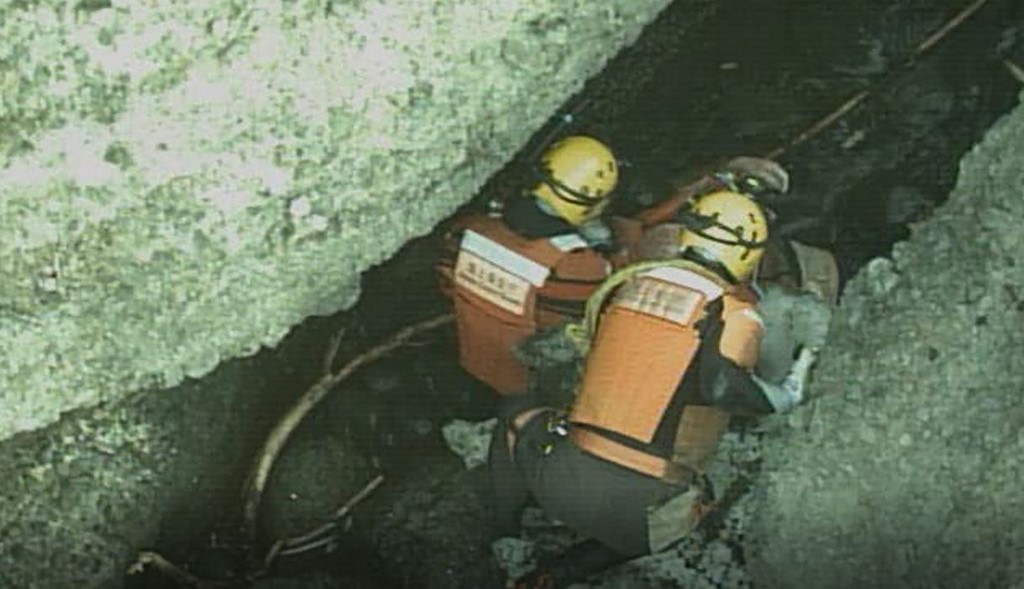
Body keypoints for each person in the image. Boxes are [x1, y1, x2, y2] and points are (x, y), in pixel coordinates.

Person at [487, 190, 820, 589]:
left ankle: (502, 533)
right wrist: (785, 395)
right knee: (688, 504)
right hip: (642, 518)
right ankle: (556, 574)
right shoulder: (736, 314)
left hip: (560, 482)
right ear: (748, 255)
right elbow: (720, 386)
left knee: (517, 415)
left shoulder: (629, 284)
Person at [436, 134, 623, 398]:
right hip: (525, 386)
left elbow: (446, 283)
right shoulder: (574, 262)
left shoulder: (467, 229)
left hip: (469, 359)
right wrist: (610, 248)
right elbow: (603, 306)